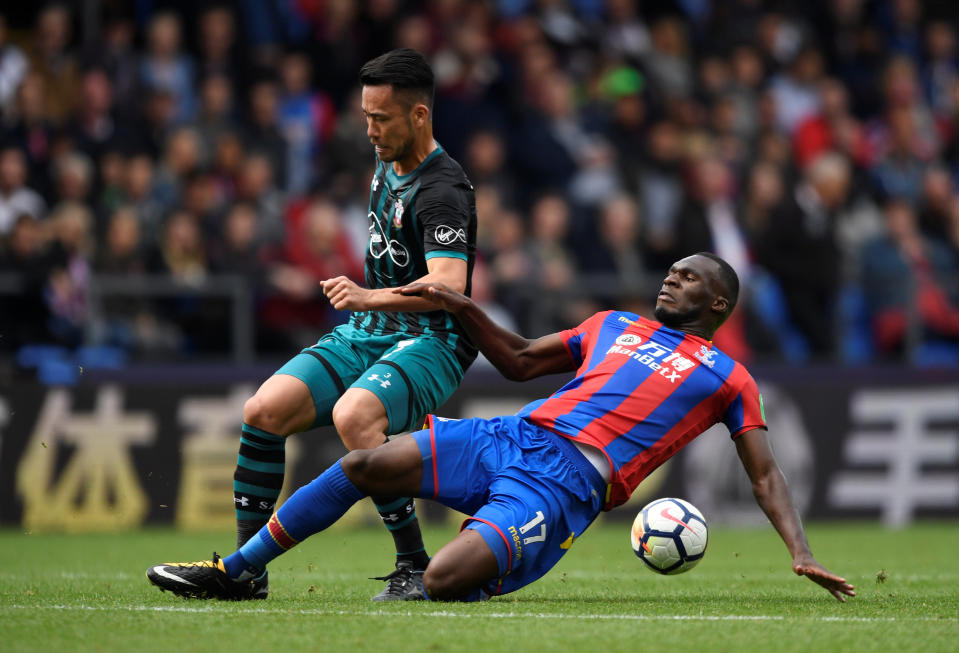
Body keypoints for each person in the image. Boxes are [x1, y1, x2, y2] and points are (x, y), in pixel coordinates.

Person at [147, 253, 855, 604]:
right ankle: (235, 571)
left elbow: (764, 472)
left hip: (565, 484)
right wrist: (459, 304)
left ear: (719, 301)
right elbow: (517, 361)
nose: (670, 280)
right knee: (363, 463)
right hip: (510, 436)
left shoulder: (728, 377)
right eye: (669, 272)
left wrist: (798, 550)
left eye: (688, 278)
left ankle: (490, 556)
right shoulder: (612, 324)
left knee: (444, 581)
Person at [226, 48, 478, 601]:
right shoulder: (388, 161)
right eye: (365, 116)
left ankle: (413, 564)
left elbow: (450, 287)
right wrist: (370, 304)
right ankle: (246, 573)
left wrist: (368, 294)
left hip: (434, 338)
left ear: (418, 115)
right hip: (370, 329)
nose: (369, 130)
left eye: (380, 118)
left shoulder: (443, 190)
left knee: (355, 417)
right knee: (262, 412)